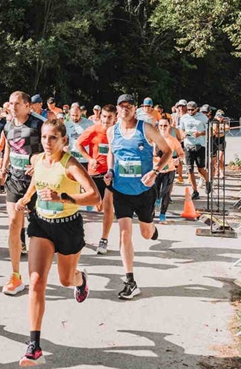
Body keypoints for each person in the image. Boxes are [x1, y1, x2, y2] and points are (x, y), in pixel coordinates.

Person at [15, 118, 100, 366]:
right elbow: (36, 181)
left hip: (68, 227)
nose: (47, 142)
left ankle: (80, 279)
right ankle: (34, 345)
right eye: (44, 137)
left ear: (64, 140)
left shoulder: (70, 165)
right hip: (41, 225)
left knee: (65, 280)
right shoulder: (37, 159)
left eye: (53, 138)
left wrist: (62, 196)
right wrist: (26, 199)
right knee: (36, 282)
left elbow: (94, 195)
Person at [106, 94, 171, 300]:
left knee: (145, 233)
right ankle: (130, 280)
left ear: (135, 109)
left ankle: (152, 229)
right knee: (124, 233)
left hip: (144, 191)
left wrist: (155, 171)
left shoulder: (146, 128)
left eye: (129, 106)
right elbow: (111, 152)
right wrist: (109, 170)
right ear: (117, 109)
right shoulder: (111, 131)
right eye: (121, 106)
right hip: (121, 190)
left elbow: (167, 150)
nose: (125, 109)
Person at [0, 91, 44, 295]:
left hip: (37, 183)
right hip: (14, 181)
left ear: (28, 106)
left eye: (17, 104)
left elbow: (56, 147)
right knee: (13, 225)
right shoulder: (8, 125)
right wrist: (3, 166)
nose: (13, 107)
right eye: (11, 103)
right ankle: (16, 276)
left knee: (40, 230)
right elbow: (8, 147)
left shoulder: (39, 125)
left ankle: (44, 270)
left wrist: (39, 163)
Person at [76, 104, 117, 254]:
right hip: (94, 172)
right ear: (100, 116)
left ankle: (103, 239)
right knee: (95, 203)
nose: (106, 120)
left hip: (110, 173)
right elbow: (78, 144)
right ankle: (79, 233)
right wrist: (89, 158)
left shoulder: (118, 131)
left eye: (110, 117)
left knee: (108, 205)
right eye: (104, 116)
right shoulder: (94, 129)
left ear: (115, 118)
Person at [153, 118, 184, 224]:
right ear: (158, 127)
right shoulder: (154, 139)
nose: (163, 128)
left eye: (165, 125)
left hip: (169, 169)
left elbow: (181, 154)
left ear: (169, 127)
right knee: (154, 191)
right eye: (161, 125)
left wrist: (178, 159)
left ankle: (162, 214)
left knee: (165, 192)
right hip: (156, 169)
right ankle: (152, 211)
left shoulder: (173, 140)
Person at [177, 101, 210, 200]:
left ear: (196, 109)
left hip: (200, 145)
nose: (190, 111)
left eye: (192, 110)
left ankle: (208, 181)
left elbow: (209, 131)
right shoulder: (183, 118)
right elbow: (181, 129)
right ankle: (195, 191)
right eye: (188, 110)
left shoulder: (203, 117)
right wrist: (183, 134)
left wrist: (200, 133)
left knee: (201, 168)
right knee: (189, 169)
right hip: (188, 145)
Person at [213, 110, 229, 179]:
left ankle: (221, 172)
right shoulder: (213, 121)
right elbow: (214, 129)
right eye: (219, 116)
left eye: (221, 116)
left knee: (220, 158)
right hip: (214, 140)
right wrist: (218, 129)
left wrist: (221, 128)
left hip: (221, 140)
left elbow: (227, 127)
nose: (220, 118)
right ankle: (216, 170)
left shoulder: (224, 121)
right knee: (215, 158)